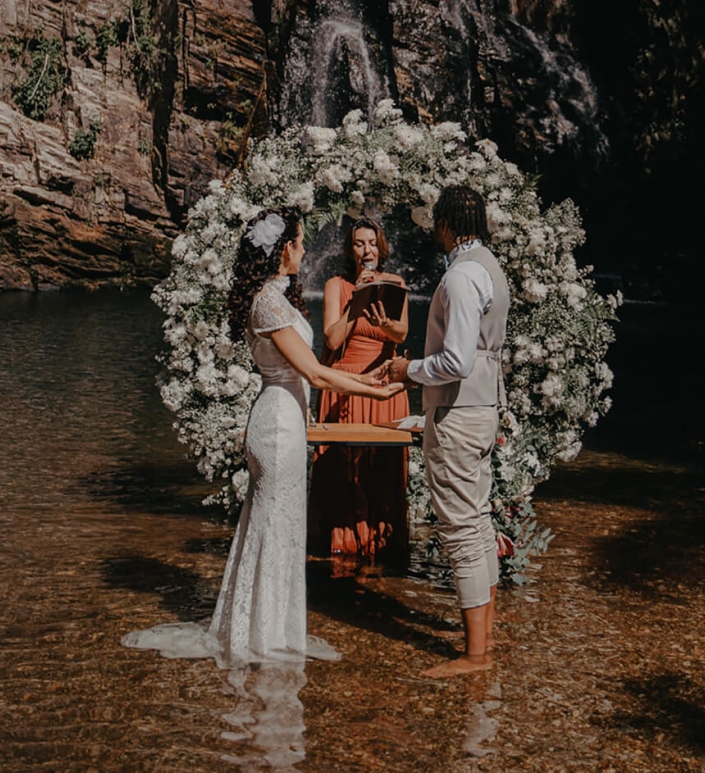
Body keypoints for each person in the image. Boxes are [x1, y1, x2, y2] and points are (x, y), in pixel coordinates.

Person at [123, 208, 402, 665]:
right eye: (299, 241)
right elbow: (313, 372)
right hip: (275, 425)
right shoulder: (267, 304)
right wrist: (371, 385)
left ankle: (268, 627)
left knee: (282, 527)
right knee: (273, 527)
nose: (306, 249)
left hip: (286, 419)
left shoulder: (278, 299)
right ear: (283, 249)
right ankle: (261, 635)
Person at [383, 185, 509, 678]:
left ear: (447, 224)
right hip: (484, 408)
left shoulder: (460, 277)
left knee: (459, 528)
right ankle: (483, 641)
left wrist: (406, 370)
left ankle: (474, 656)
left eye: (436, 222)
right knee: (477, 522)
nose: (434, 230)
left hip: (458, 414)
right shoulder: (492, 270)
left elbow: (455, 361)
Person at [308, 217, 410, 562]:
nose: (366, 249)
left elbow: (401, 336)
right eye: (358, 243)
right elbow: (332, 339)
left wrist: (386, 324)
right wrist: (358, 299)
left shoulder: (397, 283)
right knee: (343, 466)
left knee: (382, 466)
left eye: (371, 243)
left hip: (384, 381)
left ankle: (382, 542)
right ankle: (340, 543)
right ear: (350, 250)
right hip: (348, 382)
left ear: (380, 248)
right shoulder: (337, 285)